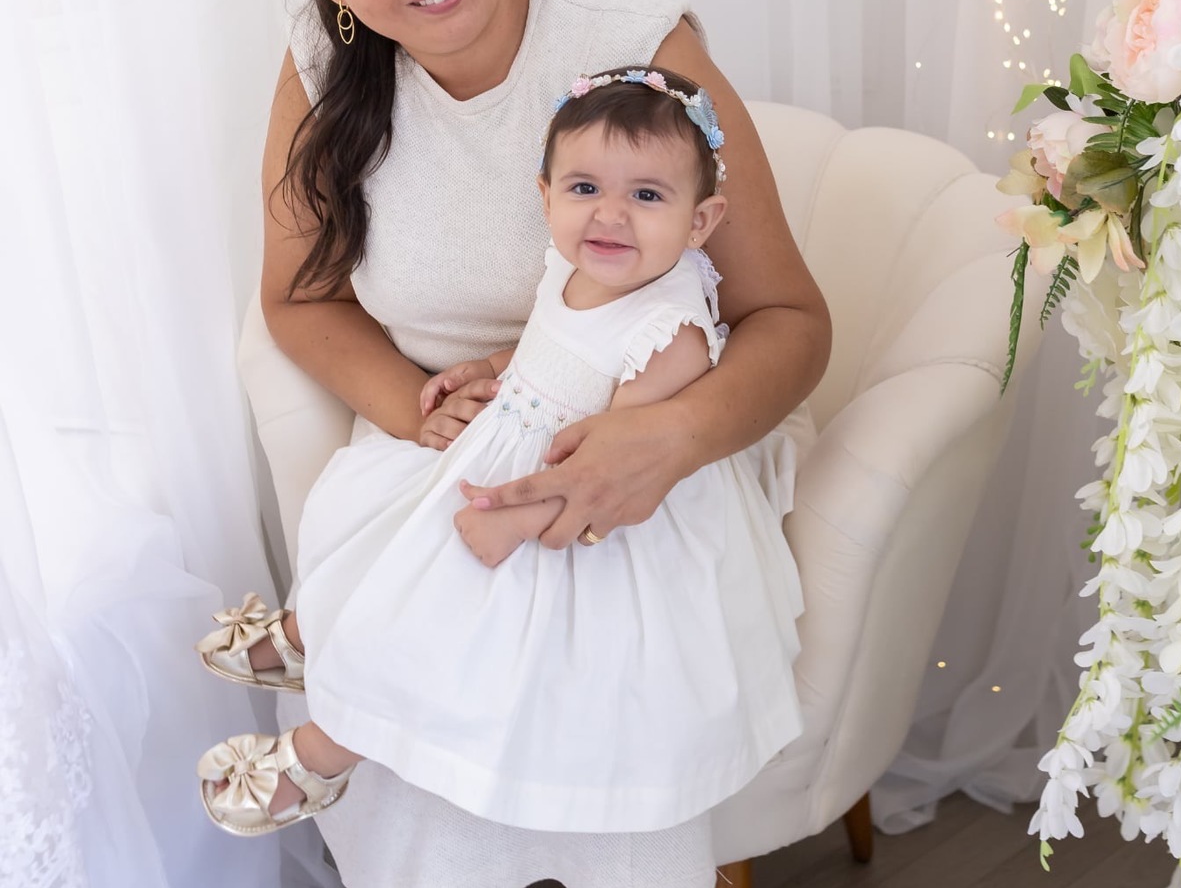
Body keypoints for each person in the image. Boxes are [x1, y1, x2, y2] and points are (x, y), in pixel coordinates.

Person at [209, 0, 829, 888]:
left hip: (656, 449)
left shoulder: (634, 45)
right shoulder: (321, 64)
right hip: (458, 449)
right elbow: (298, 298)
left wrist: (664, 443)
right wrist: (409, 399)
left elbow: (790, 321)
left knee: (619, 748)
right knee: (431, 776)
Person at [197, 67, 805, 844]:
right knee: (381, 532)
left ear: (701, 220)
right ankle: (310, 636)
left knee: (439, 615)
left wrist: (514, 525)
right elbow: (554, 339)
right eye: (585, 188)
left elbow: (609, 468)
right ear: (546, 193)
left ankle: (320, 758)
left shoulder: (672, 333)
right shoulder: (576, 265)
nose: (611, 216)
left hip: (574, 506)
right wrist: (490, 368)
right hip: (510, 437)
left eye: (648, 196)